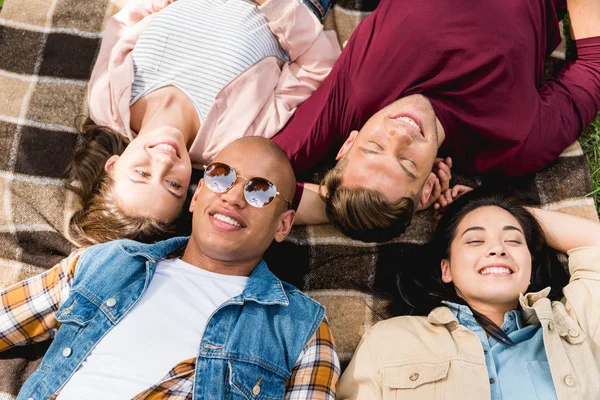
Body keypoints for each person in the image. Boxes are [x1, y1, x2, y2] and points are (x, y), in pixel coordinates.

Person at [1, 137, 340, 399]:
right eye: (221, 176)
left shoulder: (300, 326)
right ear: (197, 196)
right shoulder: (110, 263)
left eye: (260, 191)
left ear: (283, 225)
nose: (234, 197)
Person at [272, 0, 600, 242]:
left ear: (348, 142)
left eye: (373, 147)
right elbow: (593, 65)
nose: (398, 135)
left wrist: (336, 204)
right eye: (406, 164)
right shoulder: (514, 142)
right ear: (429, 186)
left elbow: (246, 184)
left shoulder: (355, 95)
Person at [68, 0, 340, 246]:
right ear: (192, 189)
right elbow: (315, 67)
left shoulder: (106, 102)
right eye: (174, 185)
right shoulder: (235, 138)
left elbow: (126, 21)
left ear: (113, 165)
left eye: (142, 174)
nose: (165, 162)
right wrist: (275, 5)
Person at [336, 188, 600, 399]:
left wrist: (504, 207)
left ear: (530, 268)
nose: (498, 249)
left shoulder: (575, 325)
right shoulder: (390, 339)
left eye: (513, 240)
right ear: (446, 269)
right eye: (475, 240)